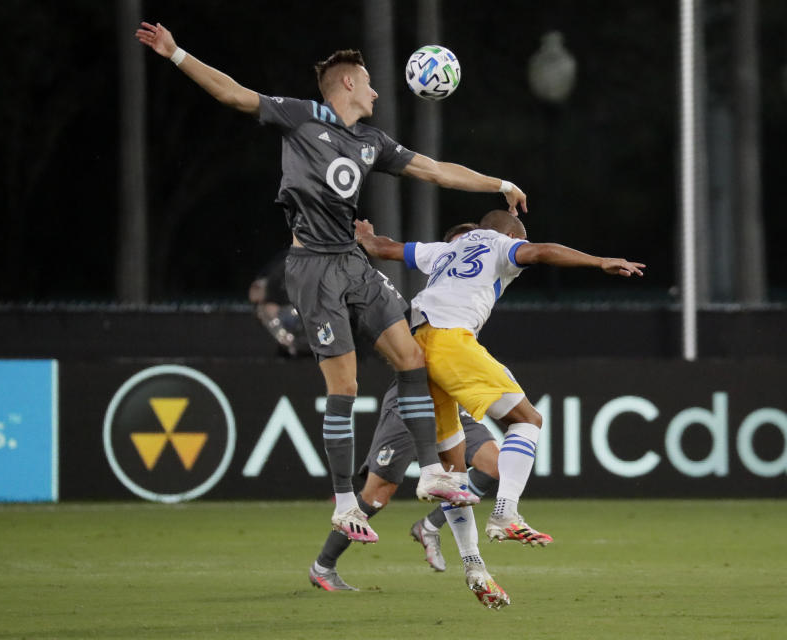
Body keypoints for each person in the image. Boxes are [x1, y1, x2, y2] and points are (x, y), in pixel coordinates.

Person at [136, 22, 528, 543]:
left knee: (413, 357)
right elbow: (234, 95)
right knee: (344, 388)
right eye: (368, 82)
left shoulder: (371, 141)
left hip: (350, 259)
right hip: (313, 268)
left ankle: (433, 473)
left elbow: (435, 171)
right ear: (346, 84)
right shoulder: (301, 116)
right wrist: (176, 53)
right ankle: (345, 502)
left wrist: (499, 183)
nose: (376, 91)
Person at [355, 209, 644, 583]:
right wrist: (599, 261)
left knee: (453, 478)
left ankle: (474, 568)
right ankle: (506, 511)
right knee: (528, 420)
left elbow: (384, 248)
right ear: (509, 233)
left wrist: (365, 237)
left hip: (416, 352)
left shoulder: (443, 250)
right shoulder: (500, 243)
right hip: (449, 340)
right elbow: (541, 251)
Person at [308, 223, 509, 609]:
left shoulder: (473, 288)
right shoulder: (429, 296)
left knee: (494, 466)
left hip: (448, 399)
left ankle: (432, 526)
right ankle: (323, 564)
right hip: (410, 404)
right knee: (378, 496)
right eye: (459, 244)